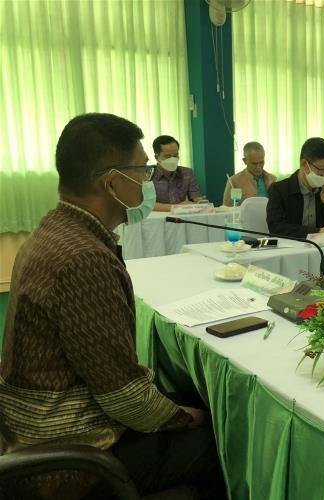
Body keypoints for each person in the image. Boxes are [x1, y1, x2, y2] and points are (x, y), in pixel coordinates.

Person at [0, 113, 223, 499]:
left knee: (186, 398)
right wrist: (188, 418)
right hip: (72, 456)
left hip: (43, 426)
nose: (147, 182)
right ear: (112, 182)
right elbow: (125, 398)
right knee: (224, 441)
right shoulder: (84, 258)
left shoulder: (55, 230)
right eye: (143, 170)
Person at [266, 137, 324, 238]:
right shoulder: (279, 190)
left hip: (319, 246)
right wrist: (317, 231)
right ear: (304, 164)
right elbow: (276, 228)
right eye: (321, 169)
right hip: (290, 246)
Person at [151, 135, 205, 211]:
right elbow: (146, 205)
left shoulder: (187, 173)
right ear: (157, 157)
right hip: (157, 217)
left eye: (175, 155)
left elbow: (196, 199)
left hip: (181, 217)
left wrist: (200, 202)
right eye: (167, 156)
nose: (173, 159)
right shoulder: (147, 175)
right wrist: (177, 207)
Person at [223, 141, 276, 205]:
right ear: (245, 161)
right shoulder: (234, 181)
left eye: (261, 162)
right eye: (254, 163)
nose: (258, 167)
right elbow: (227, 208)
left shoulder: (272, 179)